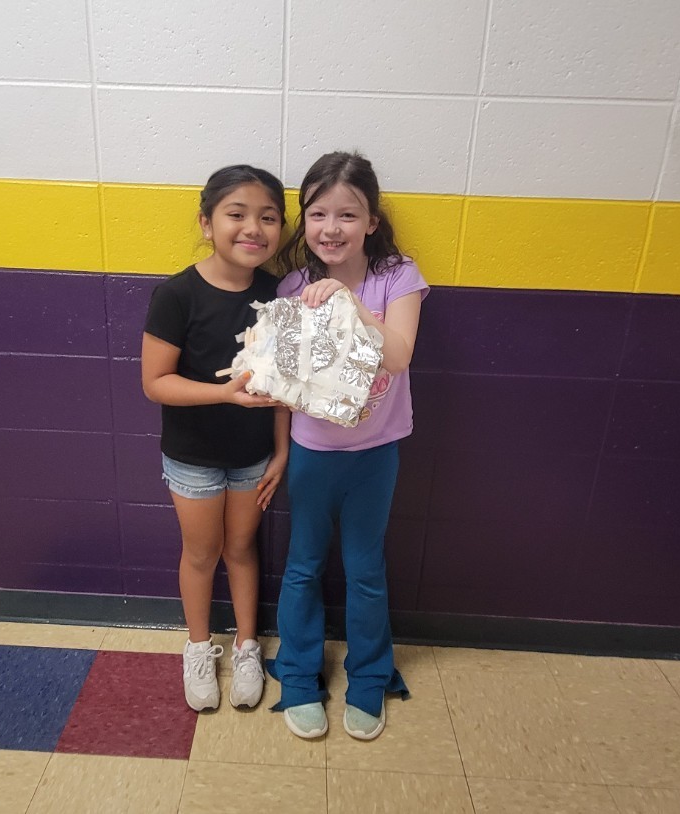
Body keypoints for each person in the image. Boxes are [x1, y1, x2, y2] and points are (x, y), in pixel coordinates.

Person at [269, 152, 429, 740]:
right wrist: (281, 451)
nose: (331, 228)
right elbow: (285, 384)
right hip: (312, 451)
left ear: (371, 222)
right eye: (317, 214)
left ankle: (369, 678)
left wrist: (348, 299)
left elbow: (399, 355)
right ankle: (298, 678)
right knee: (303, 566)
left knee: (365, 570)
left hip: (375, 453)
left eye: (347, 214)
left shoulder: (397, 277)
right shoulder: (293, 286)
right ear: (304, 221)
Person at [141, 165, 290, 712]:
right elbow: (155, 382)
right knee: (202, 553)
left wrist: (282, 450)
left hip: (253, 455)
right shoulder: (176, 295)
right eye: (237, 214)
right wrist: (224, 394)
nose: (253, 228)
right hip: (193, 457)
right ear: (207, 223)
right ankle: (199, 647)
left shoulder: (279, 294)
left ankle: (248, 646)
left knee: (242, 548)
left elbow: (284, 387)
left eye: (268, 217)